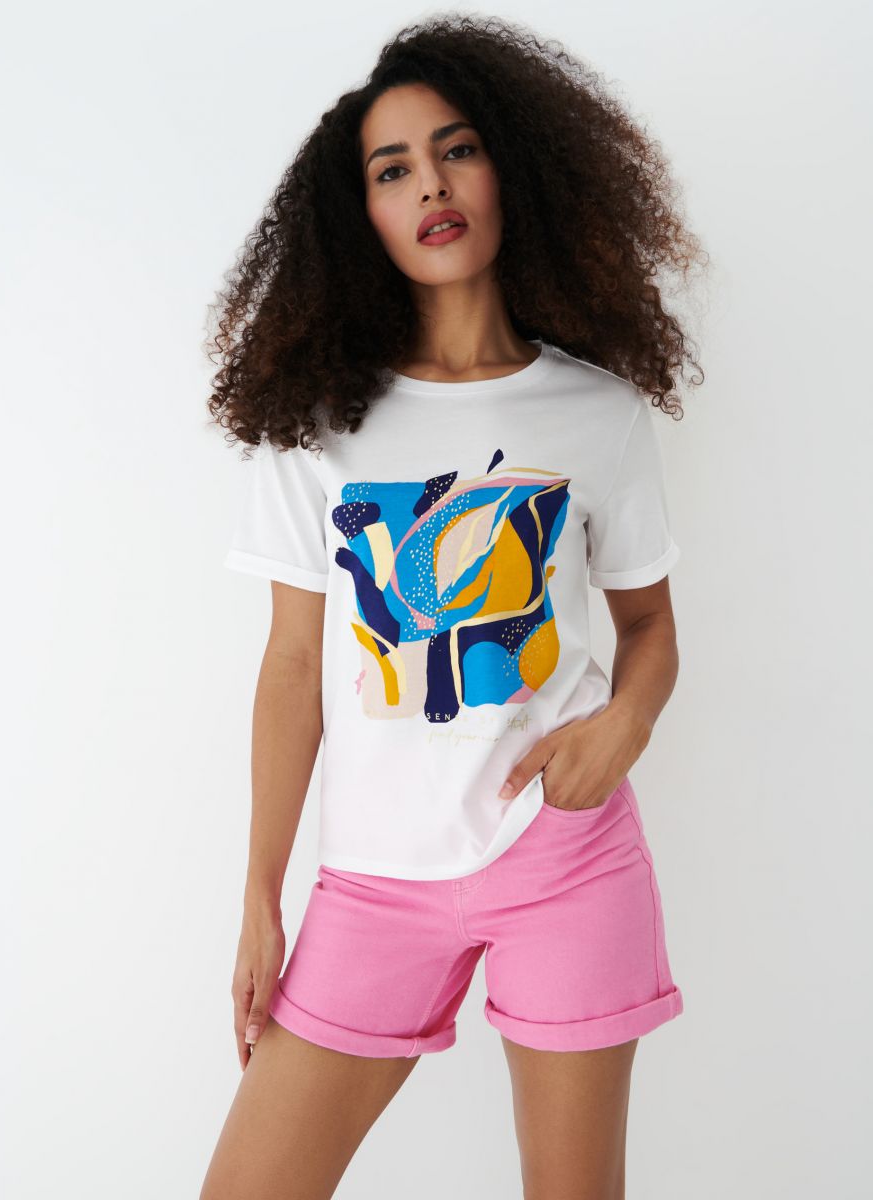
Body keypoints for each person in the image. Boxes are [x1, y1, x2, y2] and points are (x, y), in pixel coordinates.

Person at [199, 14, 707, 1199]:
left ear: (512, 169)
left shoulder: (598, 414)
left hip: (567, 861)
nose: (430, 183)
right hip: (373, 882)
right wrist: (261, 898)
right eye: (392, 170)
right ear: (360, 216)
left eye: (457, 149)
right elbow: (292, 669)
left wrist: (623, 727)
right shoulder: (314, 425)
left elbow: (650, 628)